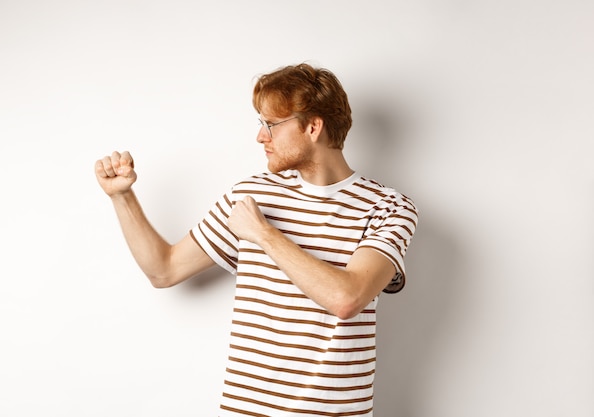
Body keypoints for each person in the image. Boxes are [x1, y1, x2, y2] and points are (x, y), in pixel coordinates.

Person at [95, 63, 418, 416]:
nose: (260, 137)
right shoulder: (252, 194)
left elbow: (346, 298)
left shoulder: (388, 207)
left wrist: (264, 234)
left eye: (271, 125)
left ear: (313, 126)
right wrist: (122, 197)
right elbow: (164, 270)